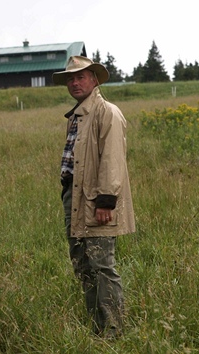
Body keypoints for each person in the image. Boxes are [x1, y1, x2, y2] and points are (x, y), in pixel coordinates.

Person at [52, 56, 135, 338]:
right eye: (71, 79)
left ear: (94, 79)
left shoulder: (106, 112)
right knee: (84, 265)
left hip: (97, 201)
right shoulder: (78, 115)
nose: (75, 83)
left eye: (81, 77)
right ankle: (98, 329)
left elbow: (112, 161)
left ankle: (114, 331)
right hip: (74, 197)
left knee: (101, 265)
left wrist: (105, 201)